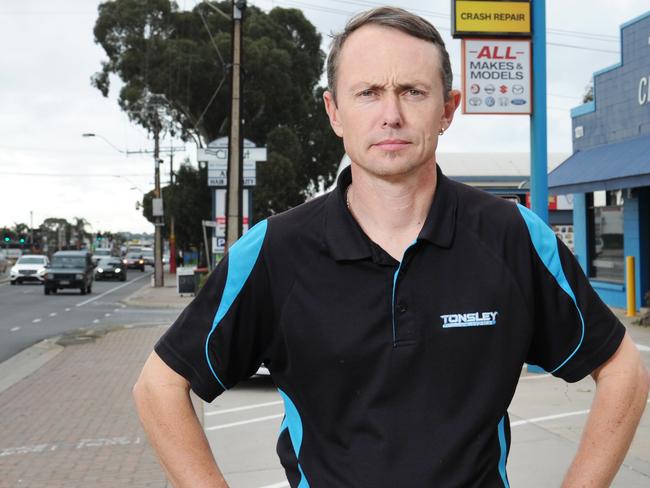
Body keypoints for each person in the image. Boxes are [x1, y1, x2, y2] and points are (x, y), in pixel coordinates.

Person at [133, 7, 649, 487]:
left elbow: (622, 368)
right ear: (334, 112)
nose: (391, 114)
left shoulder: (513, 235)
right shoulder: (274, 250)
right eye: (368, 93)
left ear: (448, 109)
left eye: (413, 91)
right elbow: (159, 388)